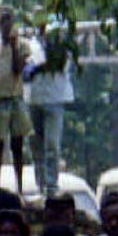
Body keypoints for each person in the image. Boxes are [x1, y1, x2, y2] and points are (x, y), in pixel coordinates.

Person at [0, 10, 38, 195]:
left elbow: (19, 69)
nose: (7, 24)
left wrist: (14, 46)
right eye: (3, 21)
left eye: (10, 20)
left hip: (16, 97)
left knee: (17, 144)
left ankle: (20, 186)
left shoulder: (22, 44)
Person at [27, 21, 77, 197]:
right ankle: (40, 185)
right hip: (33, 98)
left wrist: (39, 67)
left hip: (55, 98)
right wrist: (36, 68)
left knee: (52, 145)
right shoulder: (30, 44)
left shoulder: (63, 46)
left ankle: (52, 186)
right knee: (36, 145)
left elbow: (59, 66)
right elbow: (26, 70)